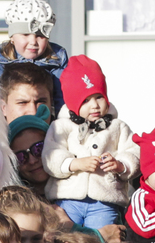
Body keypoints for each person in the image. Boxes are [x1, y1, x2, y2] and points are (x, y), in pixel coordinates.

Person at [41, 56, 138, 230]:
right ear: (72, 102)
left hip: (105, 201)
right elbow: (51, 155)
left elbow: (133, 152)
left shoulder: (117, 126)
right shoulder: (61, 126)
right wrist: (75, 164)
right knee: (66, 240)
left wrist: (120, 165)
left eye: (99, 97)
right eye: (85, 100)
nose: (94, 105)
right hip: (68, 200)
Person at [0, 0, 68, 110]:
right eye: (25, 34)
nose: (33, 42)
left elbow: (61, 96)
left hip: (45, 115)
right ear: (12, 37)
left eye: (40, 36)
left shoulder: (57, 57)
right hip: (11, 117)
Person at [8, 115, 52, 198]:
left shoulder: (82, 181)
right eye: (20, 157)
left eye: (38, 148)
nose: (32, 161)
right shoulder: (12, 205)